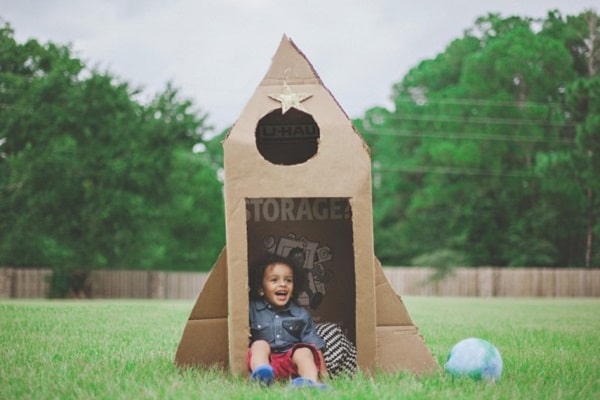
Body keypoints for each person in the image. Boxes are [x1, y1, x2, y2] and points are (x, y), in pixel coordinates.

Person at [247, 253, 327, 389]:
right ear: (261, 289)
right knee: (259, 344)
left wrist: (324, 374)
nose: (283, 284)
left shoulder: (301, 314)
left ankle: (310, 382)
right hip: (267, 362)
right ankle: (262, 376)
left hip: (290, 365)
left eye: (288, 280)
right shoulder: (251, 309)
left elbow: (315, 344)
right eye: (274, 280)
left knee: (304, 351)